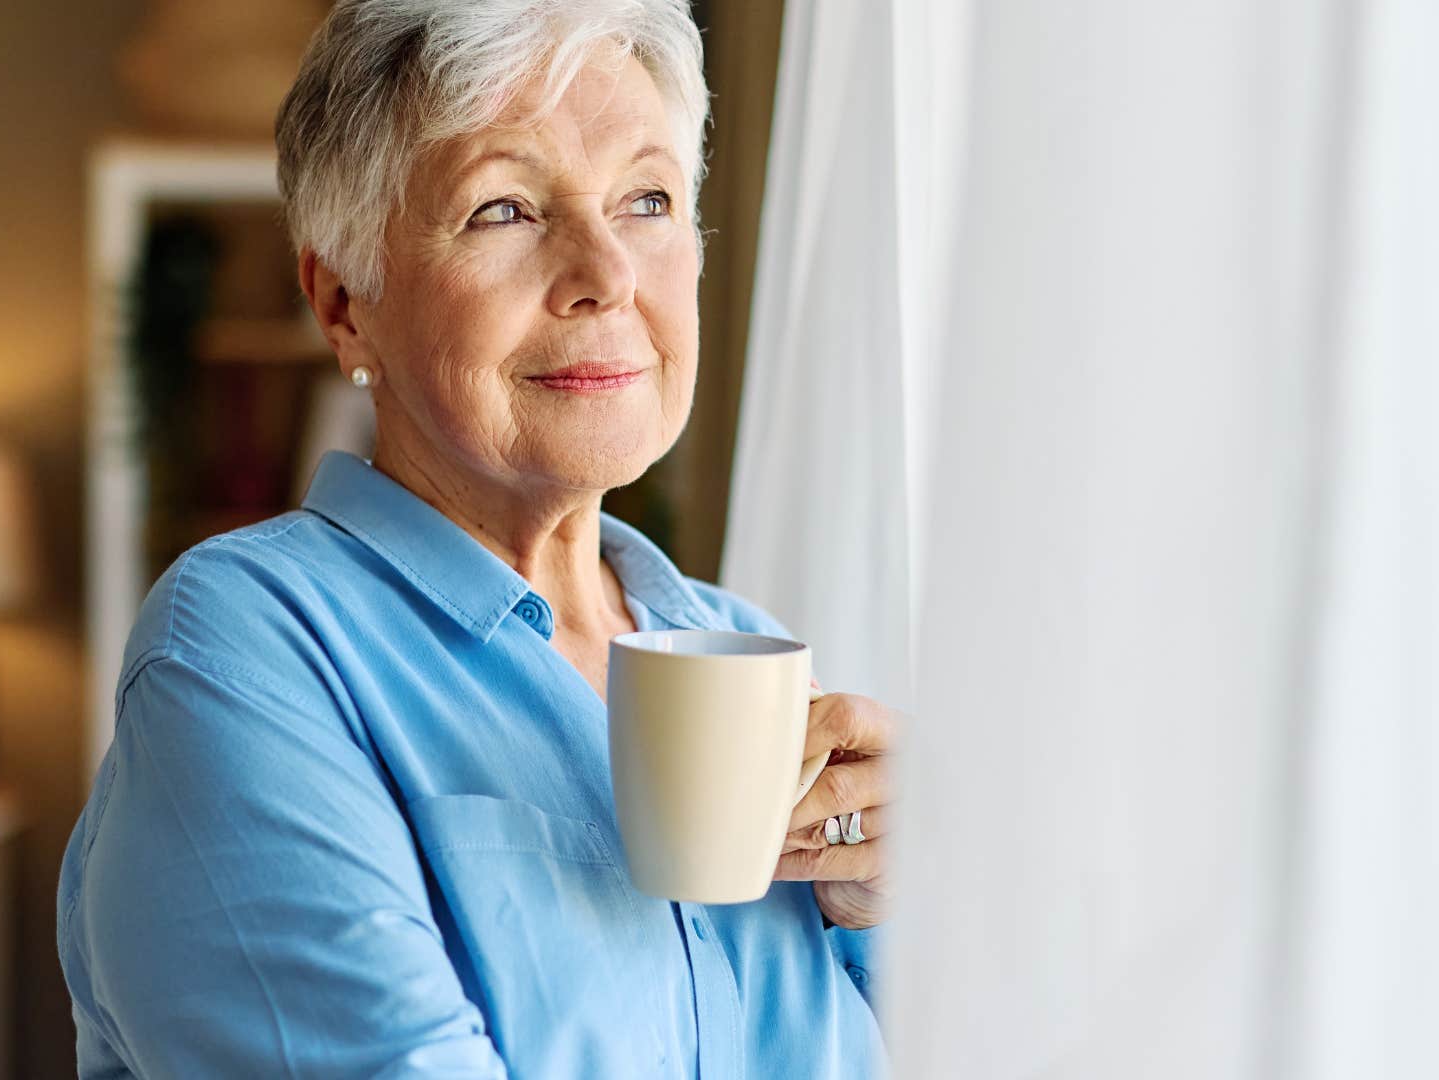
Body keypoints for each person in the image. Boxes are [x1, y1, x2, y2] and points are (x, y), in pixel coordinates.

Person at [56, 1, 897, 1075]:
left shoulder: (743, 649)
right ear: (345, 302)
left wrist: (893, 909)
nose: (607, 272)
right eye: (503, 209)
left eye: (648, 198)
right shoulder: (244, 649)